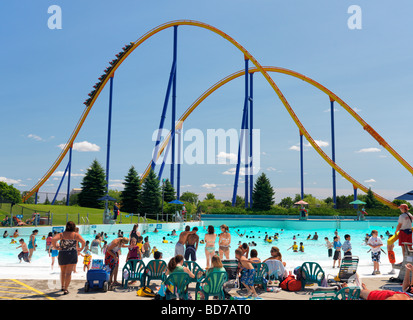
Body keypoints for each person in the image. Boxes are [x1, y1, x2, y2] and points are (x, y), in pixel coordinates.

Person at [51, 221, 86, 295]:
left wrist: (56, 247)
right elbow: (83, 242)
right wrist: (81, 249)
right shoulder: (75, 235)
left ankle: (62, 286)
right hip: (72, 254)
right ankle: (66, 289)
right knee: (69, 273)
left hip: (63, 253)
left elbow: (53, 239)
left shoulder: (62, 234)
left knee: (63, 271)